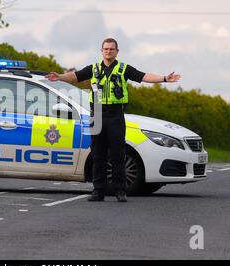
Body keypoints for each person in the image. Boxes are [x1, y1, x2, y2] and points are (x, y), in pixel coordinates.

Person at [45, 38, 180, 202]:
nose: (108, 51)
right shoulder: (93, 69)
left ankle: (120, 191)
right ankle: (98, 191)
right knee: (97, 155)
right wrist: (59, 77)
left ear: (117, 51)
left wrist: (165, 78)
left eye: (111, 49)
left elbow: (144, 76)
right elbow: (75, 76)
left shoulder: (123, 69)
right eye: (106, 49)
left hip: (115, 115)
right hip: (97, 114)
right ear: (101, 51)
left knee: (117, 155)